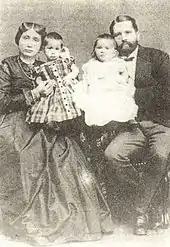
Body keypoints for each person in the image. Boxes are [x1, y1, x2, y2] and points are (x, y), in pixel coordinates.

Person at [0, 22, 113, 245]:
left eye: (35, 40)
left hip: (48, 119)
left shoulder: (49, 64)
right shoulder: (8, 65)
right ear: (18, 40)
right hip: (16, 119)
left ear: (42, 45)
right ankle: (34, 222)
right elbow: (2, 101)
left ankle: (77, 219)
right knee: (27, 155)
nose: (30, 44)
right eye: (26, 38)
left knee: (69, 152)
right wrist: (33, 93)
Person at [105, 14, 170, 235]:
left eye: (127, 32)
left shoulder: (157, 57)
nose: (123, 38)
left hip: (161, 123)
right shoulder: (107, 62)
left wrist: (135, 93)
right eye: (117, 34)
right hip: (131, 127)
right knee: (112, 155)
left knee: (160, 155)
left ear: (137, 34)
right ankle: (150, 199)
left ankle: (140, 211)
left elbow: (168, 91)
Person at [74, 33, 138, 127]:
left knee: (121, 104)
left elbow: (126, 80)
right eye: (99, 48)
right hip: (97, 93)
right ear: (94, 50)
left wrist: (121, 83)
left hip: (114, 92)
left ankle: (124, 121)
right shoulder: (91, 65)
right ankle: (99, 127)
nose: (102, 51)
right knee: (94, 106)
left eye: (107, 48)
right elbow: (86, 80)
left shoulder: (118, 64)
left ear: (114, 52)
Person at [26, 31, 82, 126]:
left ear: (61, 50)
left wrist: (70, 76)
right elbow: (38, 78)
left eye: (56, 49)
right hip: (54, 93)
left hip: (68, 88)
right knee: (55, 110)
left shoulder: (65, 61)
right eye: (50, 48)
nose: (53, 52)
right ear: (43, 49)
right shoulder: (41, 67)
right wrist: (43, 83)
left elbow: (75, 70)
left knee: (77, 105)